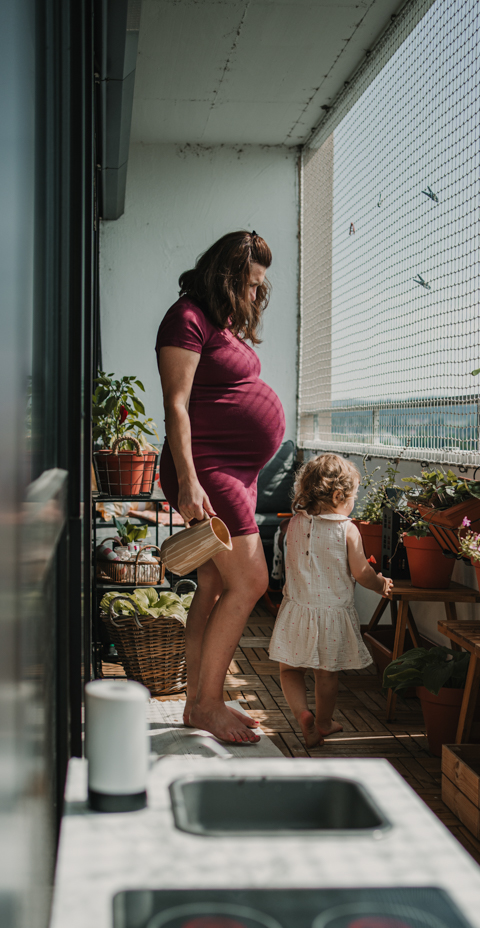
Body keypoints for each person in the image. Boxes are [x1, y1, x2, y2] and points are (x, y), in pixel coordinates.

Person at [156, 230, 285, 744]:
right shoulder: (186, 318)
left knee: (212, 586)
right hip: (208, 469)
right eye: (252, 284)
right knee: (250, 582)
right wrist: (188, 481)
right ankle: (208, 703)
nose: (258, 294)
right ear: (228, 277)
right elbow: (176, 406)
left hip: (238, 471)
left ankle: (197, 701)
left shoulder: (223, 323)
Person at [269, 454, 392, 747]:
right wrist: (381, 584)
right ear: (339, 495)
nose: (353, 503)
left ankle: (302, 714)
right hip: (331, 615)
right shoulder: (347, 529)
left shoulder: (295, 524)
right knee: (327, 674)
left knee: (289, 670)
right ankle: (323, 721)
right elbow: (362, 573)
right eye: (353, 497)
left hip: (296, 610)